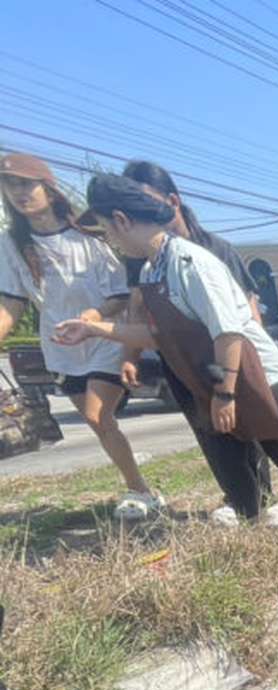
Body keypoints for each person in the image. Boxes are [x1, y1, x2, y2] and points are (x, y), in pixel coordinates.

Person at [54, 174, 278, 560]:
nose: (111, 239)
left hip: (254, 372)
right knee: (231, 464)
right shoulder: (152, 270)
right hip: (210, 374)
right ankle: (255, 536)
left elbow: (229, 333)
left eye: (107, 229)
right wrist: (94, 329)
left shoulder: (191, 264)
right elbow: (158, 335)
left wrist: (226, 394)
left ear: (122, 220)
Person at [111, 160, 278, 529]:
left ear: (172, 201)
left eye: (144, 200)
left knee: (248, 427)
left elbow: (249, 311)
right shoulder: (142, 260)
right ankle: (238, 499)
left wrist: (245, 372)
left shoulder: (213, 250)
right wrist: (129, 356)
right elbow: (139, 311)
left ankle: (265, 500)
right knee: (210, 431)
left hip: (227, 360)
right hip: (183, 362)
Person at [0, 153, 162, 520]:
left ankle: (140, 491)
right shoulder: (11, 244)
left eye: (26, 184)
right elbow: (13, 301)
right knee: (100, 424)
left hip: (105, 338)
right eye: (10, 186)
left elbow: (121, 294)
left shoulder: (88, 233)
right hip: (61, 349)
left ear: (48, 187)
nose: (19, 193)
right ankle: (138, 484)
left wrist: (93, 317)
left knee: (96, 414)